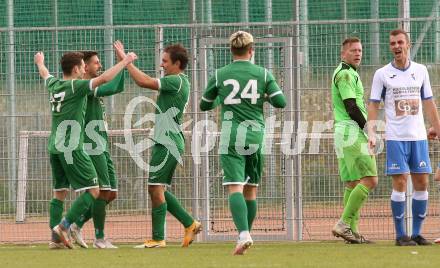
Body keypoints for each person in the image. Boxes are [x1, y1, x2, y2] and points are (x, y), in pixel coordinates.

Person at [34, 50, 137, 249]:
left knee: (60, 193)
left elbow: (44, 73)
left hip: (55, 147)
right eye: (82, 66)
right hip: (72, 146)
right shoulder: (77, 86)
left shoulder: (54, 84)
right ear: (75, 69)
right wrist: (125, 61)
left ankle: (55, 240)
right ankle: (64, 227)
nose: (84, 69)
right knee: (93, 190)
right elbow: (106, 78)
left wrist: (40, 62)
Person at [199, 31, 286, 255]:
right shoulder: (263, 73)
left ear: (231, 51)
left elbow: (204, 105)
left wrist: (222, 97)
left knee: (234, 187)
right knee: (251, 190)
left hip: (231, 134)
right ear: (251, 50)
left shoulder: (220, 75)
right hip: (255, 136)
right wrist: (263, 96)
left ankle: (244, 234)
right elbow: (281, 101)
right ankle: (246, 234)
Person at [113, 40, 202, 248]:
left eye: (165, 61)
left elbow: (143, 81)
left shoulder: (176, 81)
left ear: (177, 63)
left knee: (154, 187)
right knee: (157, 188)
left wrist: (126, 61)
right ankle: (189, 224)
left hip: (168, 141)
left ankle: (158, 238)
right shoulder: (179, 80)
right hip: (167, 140)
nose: (161, 65)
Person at [368, 29, 440, 246]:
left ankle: (417, 233)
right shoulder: (382, 74)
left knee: (422, 182)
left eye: (400, 42)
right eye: (392, 43)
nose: (396, 46)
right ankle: (401, 235)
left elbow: (428, 101)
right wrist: (370, 130)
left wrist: (437, 126)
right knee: (400, 182)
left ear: (407, 45)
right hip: (396, 138)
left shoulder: (421, 71)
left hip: (418, 137)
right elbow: (373, 104)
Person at [68, 50, 125, 249]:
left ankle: (77, 224)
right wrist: (124, 63)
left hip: (102, 144)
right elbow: (112, 87)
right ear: (84, 66)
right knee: (102, 191)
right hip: (92, 146)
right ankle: (100, 239)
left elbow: (117, 86)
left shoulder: (92, 85)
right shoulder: (86, 87)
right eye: (95, 63)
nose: (98, 66)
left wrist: (123, 64)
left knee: (111, 193)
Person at [330, 37, 378, 244]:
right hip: (351, 132)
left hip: (342, 132)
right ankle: (343, 224)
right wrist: (369, 129)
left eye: (360, 50)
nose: (358, 53)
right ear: (343, 54)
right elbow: (351, 106)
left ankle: (353, 233)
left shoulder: (348, 73)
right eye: (353, 51)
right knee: (370, 179)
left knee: (353, 183)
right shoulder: (346, 74)